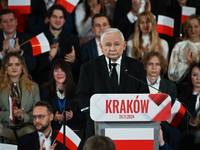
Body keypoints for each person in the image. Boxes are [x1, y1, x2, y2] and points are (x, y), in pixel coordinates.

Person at [75, 28, 149, 140]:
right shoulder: (88, 68)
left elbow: (144, 95)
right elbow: (81, 97)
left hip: (128, 128)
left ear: (124, 45)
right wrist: (98, 111)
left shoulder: (136, 67)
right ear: (101, 47)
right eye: (108, 45)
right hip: (98, 127)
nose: (112, 48)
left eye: (116, 44)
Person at [35, 4, 80, 85]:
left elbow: (79, 68)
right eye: (54, 17)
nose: (58, 20)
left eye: (61, 17)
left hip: (68, 82)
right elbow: (36, 69)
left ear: (65, 20)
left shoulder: (73, 39)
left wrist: (73, 61)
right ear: (48, 18)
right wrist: (49, 57)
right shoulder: (38, 39)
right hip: (46, 82)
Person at [0, 52, 40, 144]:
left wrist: (23, 116)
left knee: (28, 136)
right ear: (5, 68)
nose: (14, 67)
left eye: (17, 64)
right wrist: (11, 114)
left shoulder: (34, 87)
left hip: (26, 126)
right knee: (6, 139)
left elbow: (37, 112)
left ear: (22, 67)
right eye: (10, 65)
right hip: (4, 126)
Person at [40, 59, 86, 131]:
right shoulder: (45, 91)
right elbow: (40, 116)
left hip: (73, 130)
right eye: (56, 70)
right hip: (52, 131)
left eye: (63, 70)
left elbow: (84, 115)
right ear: (52, 73)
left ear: (67, 72)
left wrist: (73, 117)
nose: (59, 73)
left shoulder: (76, 90)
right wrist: (53, 119)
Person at [0, 9, 36, 76]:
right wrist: (2, 54)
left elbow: (32, 66)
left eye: (11, 20)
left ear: (16, 22)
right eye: (5, 21)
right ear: (0, 25)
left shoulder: (28, 38)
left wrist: (20, 52)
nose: (9, 24)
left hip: (24, 79)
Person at [168, 14, 200, 83]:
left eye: (196, 26)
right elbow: (171, 73)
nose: (193, 29)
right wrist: (187, 64)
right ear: (186, 29)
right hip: (184, 86)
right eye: (190, 27)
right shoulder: (179, 46)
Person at [178, 62, 200, 132]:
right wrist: (188, 121)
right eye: (195, 75)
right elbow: (179, 120)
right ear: (190, 77)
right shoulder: (182, 96)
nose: (198, 78)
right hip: (188, 135)